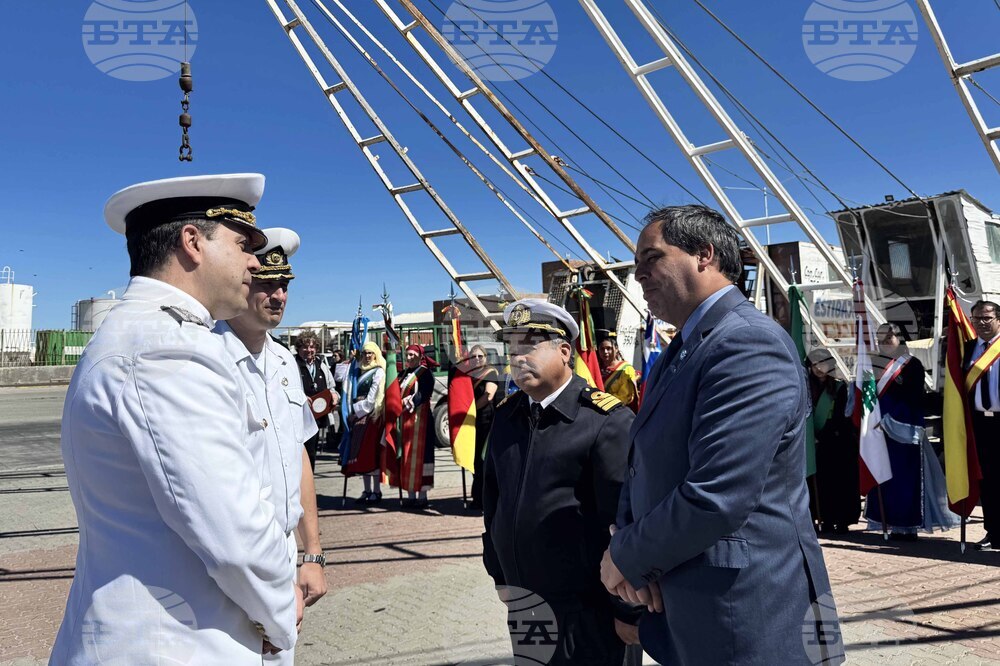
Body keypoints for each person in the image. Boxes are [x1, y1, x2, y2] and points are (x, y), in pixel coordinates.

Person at [52, 174, 300, 663]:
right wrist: (280, 613)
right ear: (192, 243)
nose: (255, 260)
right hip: (172, 644)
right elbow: (235, 535)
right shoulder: (164, 350)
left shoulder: (145, 335)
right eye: (241, 242)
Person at [601, 204, 842, 664]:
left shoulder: (746, 343)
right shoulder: (687, 347)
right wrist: (635, 555)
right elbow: (644, 464)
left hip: (749, 613)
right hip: (688, 600)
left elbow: (718, 495)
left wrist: (625, 554)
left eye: (651, 258)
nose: (639, 276)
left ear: (704, 255)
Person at [482, 299, 639, 664]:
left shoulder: (605, 422)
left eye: (529, 344)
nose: (517, 356)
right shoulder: (509, 417)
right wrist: (499, 574)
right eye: (512, 346)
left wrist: (627, 611)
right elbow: (494, 503)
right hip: (527, 606)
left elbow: (624, 525)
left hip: (589, 614)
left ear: (565, 351)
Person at [214, 227, 330, 664]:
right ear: (243, 280)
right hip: (231, 564)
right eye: (267, 283)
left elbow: (296, 453)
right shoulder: (208, 360)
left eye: (285, 285)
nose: (279, 295)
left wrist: (313, 553)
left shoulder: (284, 361)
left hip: (281, 555)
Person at [866, 323, 957, 538]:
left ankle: (907, 526)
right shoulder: (871, 363)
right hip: (876, 431)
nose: (887, 340)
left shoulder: (912, 365)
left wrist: (889, 419)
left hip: (902, 429)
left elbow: (913, 397)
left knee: (905, 480)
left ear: (900, 338)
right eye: (882, 337)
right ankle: (886, 521)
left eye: (891, 336)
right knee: (882, 479)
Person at [804, 348, 859, 534]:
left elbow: (841, 416)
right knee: (820, 484)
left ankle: (841, 520)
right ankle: (823, 519)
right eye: (815, 364)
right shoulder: (805, 388)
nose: (819, 368)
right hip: (815, 442)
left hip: (837, 441)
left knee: (839, 483)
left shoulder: (839, 386)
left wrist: (829, 434)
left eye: (823, 363)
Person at [966, 300, 1000, 550]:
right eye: (976, 318)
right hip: (979, 425)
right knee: (987, 481)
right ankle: (993, 532)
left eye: (987, 318)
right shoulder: (968, 349)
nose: (981, 323)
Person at [387, 344, 437, 508]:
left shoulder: (425, 374)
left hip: (421, 422)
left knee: (422, 458)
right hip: (405, 421)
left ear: (419, 356)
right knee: (407, 456)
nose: (408, 358)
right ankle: (410, 495)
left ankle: (422, 496)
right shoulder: (402, 374)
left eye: (412, 355)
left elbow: (423, 394)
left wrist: (405, 402)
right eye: (407, 355)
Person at [342, 341, 387, 503]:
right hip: (357, 414)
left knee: (370, 453)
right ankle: (366, 490)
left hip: (371, 415)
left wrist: (356, 412)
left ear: (375, 354)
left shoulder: (378, 372)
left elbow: (373, 397)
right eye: (365, 353)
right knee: (360, 453)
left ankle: (376, 491)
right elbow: (342, 380)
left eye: (370, 353)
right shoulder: (358, 370)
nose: (367, 356)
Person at [294, 330, 335, 470]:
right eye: (305, 347)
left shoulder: (321, 364)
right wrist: (301, 396)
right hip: (298, 417)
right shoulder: (292, 364)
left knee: (312, 453)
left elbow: (332, 387)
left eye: (312, 347)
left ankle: (309, 484)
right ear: (298, 348)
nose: (309, 350)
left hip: (317, 417)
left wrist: (335, 396)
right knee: (300, 453)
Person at [466, 344, 500, 511]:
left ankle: (484, 499)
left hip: (487, 421)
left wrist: (470, 409)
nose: (477, 359)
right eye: (474, 356)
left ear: (486, 358)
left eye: (480, 356)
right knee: (474, 462)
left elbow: (488, 396)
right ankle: (477, 496)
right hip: (472, 422)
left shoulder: (491, 373)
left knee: (483, 461)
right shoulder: (469, 375)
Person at [596, 329, 639, 413]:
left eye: (609, 348)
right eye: (602, 349)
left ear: (616, 349)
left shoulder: (626, 369)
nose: (605, 352)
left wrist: (602, 402)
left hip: (617, 412)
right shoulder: (596, 368)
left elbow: (625, 396)